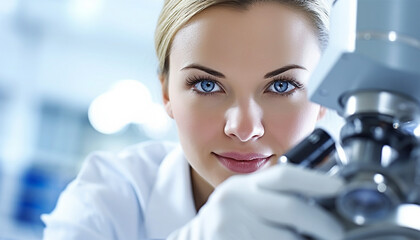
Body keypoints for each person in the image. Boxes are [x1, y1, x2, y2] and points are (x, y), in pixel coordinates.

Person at [42, 0, 344, 239]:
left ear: (323, 98)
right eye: (207, 85)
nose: (243, 129)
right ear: (166, 93)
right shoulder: (105, 202)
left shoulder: (360, 210)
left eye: (281, 86)